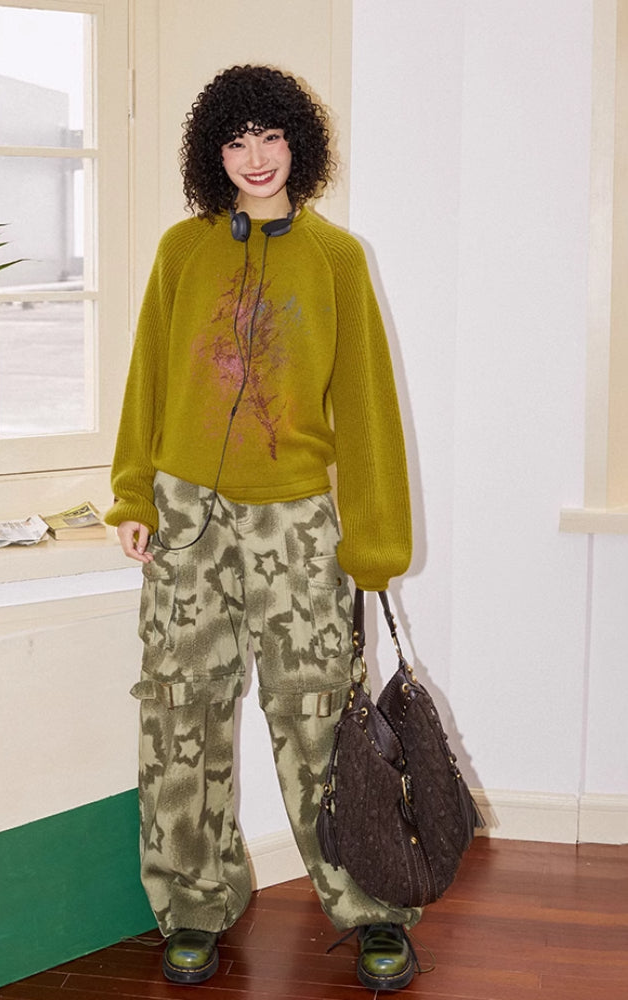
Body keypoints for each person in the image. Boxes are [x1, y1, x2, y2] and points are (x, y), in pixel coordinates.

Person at [104, 64, 422, 993]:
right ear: (213, 153)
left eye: (270, 136)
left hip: (296, 526)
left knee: (319, 717)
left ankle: (369, 908)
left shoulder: (337, 258)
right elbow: (148, 379)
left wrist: (374, 543)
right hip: (187, 524)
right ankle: (191, 905)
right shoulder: (181, 251)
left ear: (298, 145)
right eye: (236, 140)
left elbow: (367, 410)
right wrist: (132, 495)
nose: (254, 156)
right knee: (179, 715)